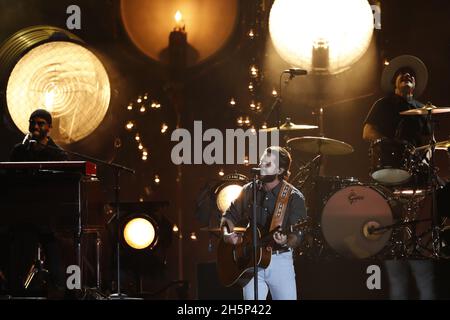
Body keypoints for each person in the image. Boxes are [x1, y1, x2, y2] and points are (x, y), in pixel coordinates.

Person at [363, 55, 436, 300]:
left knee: (421, 262)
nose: (408, 77)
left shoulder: (423, 109)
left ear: (415, 85)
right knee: (395, 262)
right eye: (403, 74)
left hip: (417, 179)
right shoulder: (383, 105)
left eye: (411, 76)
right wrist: (390, 144)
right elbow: (367, 131)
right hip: (388, 175)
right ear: (395, 82)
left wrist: (426, 155)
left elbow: (429, 144)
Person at [221, 146, 307, 300]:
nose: (261, 167)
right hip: (251, 263)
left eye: (267, 164)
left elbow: (297, 236)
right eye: (261, 162)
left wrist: (286, 240)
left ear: (280, 171)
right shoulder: (249, 190)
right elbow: (228, 216)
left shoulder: (294, 197)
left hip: (279, 261)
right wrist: (227, 234)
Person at [5, 109, 68, 297]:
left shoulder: (57, 154)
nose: (35, 127)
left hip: (47, 215)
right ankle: (17, 288)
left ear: (49, 127)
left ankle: (59, 288)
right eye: (33, 122)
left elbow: (65, 180)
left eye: (41, 123)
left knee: (53, 251)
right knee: (18, 250)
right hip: (23, 213)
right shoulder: (19, 150)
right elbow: (9, 178)